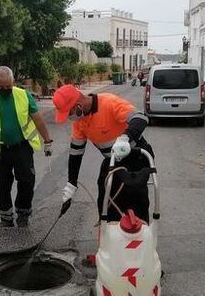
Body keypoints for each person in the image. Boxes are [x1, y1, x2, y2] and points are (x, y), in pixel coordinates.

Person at [53, 85, 154, 223]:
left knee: (133, 197)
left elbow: (141, 118)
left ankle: (139, 234)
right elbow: (76, 153)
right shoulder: (79, 121)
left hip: (137, 157)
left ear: (78, 106)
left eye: (68, 113)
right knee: (105, 193)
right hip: (113, 160)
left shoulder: (108, 103)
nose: (69, 117)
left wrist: (125, 137)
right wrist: (71, 183)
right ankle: (109, 230)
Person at [0, 66, 53, 228]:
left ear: (13, 81)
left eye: (8, 86)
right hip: (0, 150)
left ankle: (23, 213)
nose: (5, 89)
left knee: (27, 181)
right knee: (1, 185)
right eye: (1, 87)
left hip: (22, 148)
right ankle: (6, 217)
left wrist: (48, 141)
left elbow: (38, 120)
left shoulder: (24, 95)